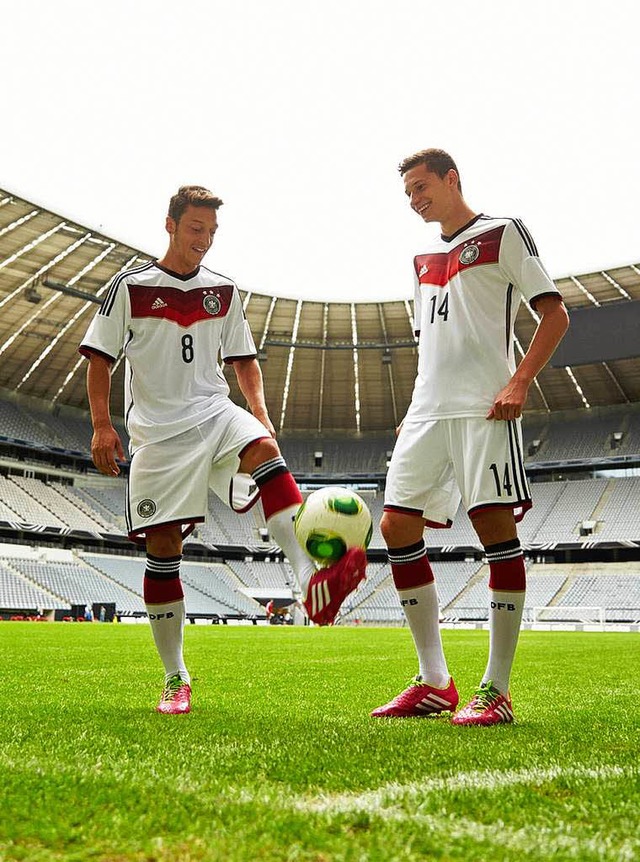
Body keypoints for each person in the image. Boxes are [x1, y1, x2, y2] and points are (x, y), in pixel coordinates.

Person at [79, 185, 366, 715]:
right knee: (163, 549)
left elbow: (244, 360)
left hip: (214, 411)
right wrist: (102, 426)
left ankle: (308, 576)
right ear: (170, 225)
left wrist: (258, 411)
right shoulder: (130, 286)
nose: (204, 241)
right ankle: (175, 678)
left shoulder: (224, 290)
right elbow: (99, 358)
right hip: (159, 435)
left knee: (262, 449)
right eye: (195, 229)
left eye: (211, 232)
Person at [372, 150, 569, 726]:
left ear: (451, 178)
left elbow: (554, 314)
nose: (414, 198)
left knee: (493, 529)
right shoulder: (420, 259)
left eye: (421, 186)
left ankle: (497, 690)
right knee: (395, 524)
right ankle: (435, 681)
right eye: (407, 192)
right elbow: (425, 345)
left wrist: (520, 380)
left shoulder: (503, 232)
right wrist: (412, 408)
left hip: (486, 408)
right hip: (428, 410)